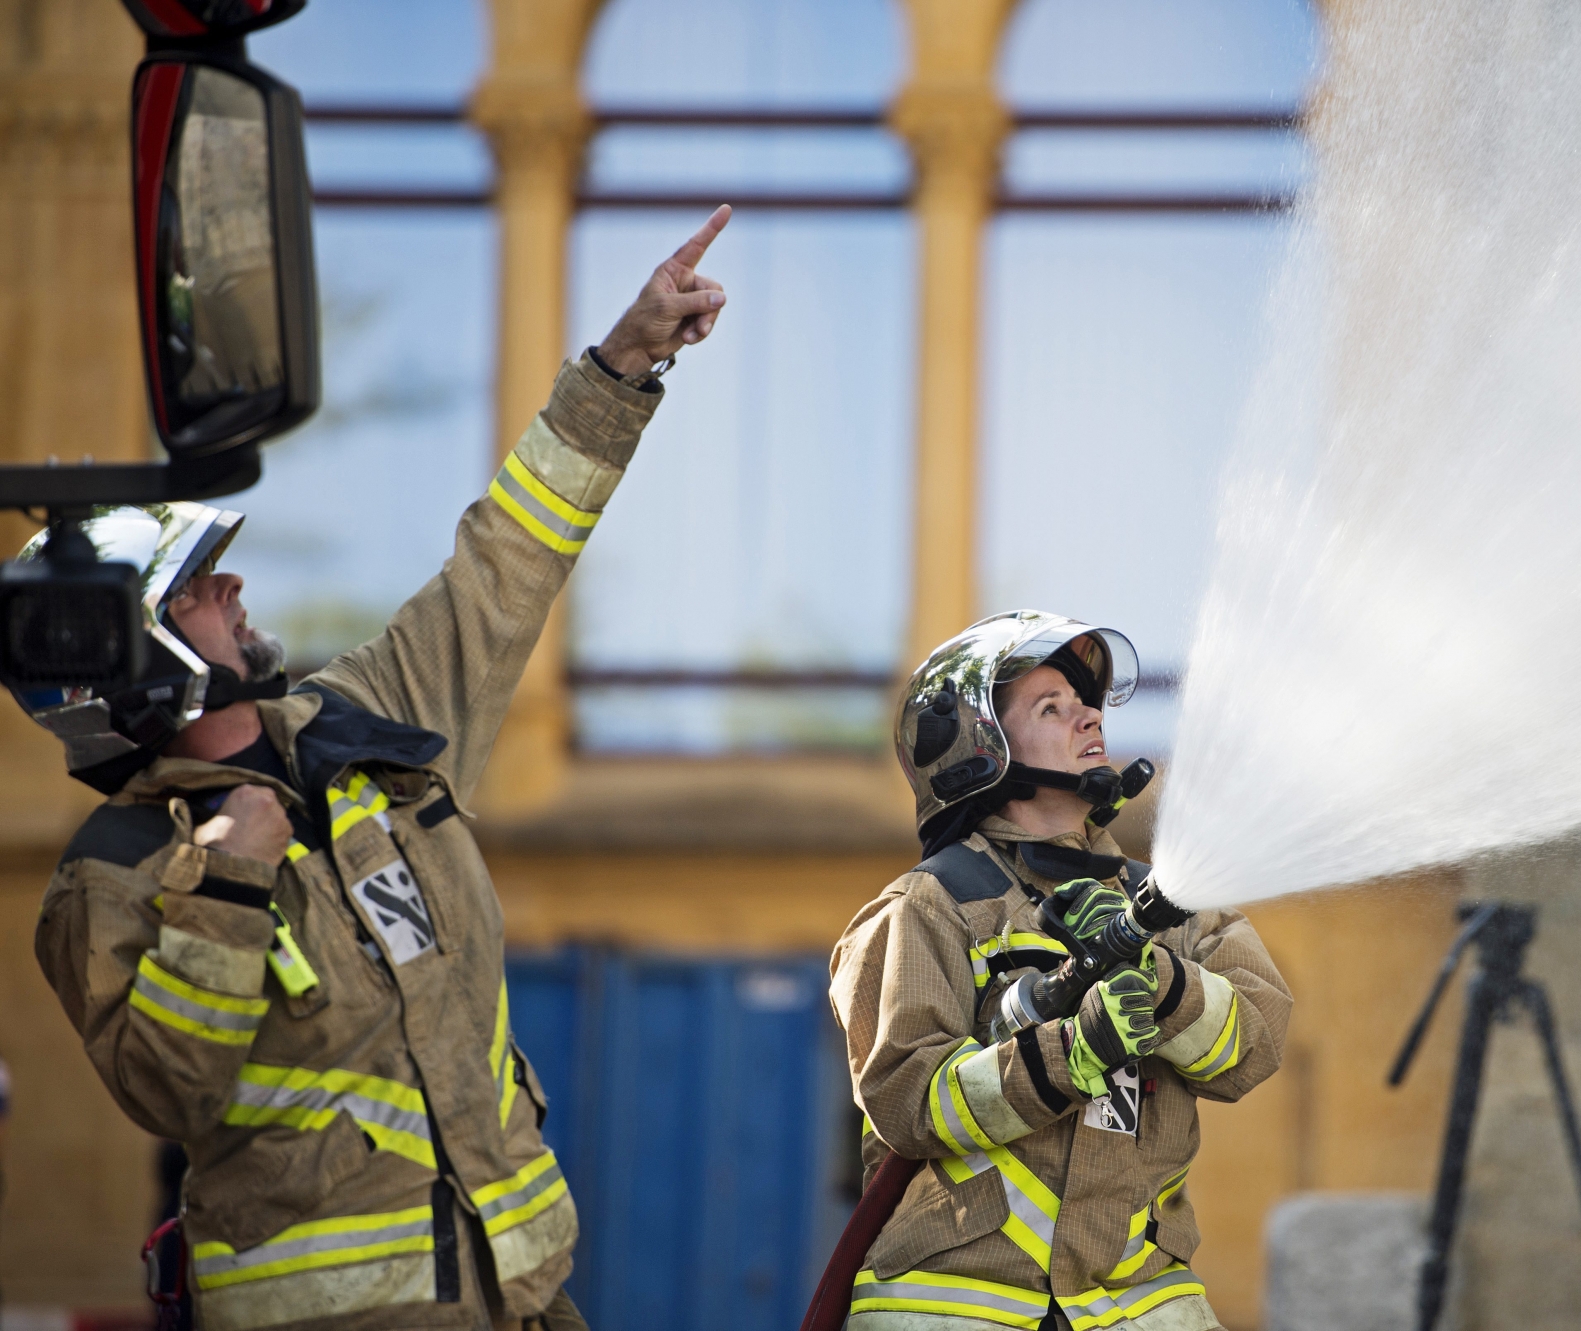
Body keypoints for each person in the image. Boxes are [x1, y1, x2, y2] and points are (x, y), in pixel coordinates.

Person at [25, 206, 734, 1331]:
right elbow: (167, 1089)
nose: (238, 593)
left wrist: (622, 362)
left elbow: (507, 557)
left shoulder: (362, 726)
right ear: (140, 653)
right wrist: (223, 891)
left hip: (531, 1304)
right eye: (204, 592)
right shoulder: (112, 874)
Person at [830, 610, 1293, 1331]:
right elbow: (911, 1100)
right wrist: (1068, 1056)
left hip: (1137, 1303)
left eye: (1086, 701)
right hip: (962, 1305)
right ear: (975, 748)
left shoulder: (1173, 904)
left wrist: (1167, 986)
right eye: (1051, 706)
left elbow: (1254, 1044)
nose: (1087, 715)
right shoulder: (927, 909)